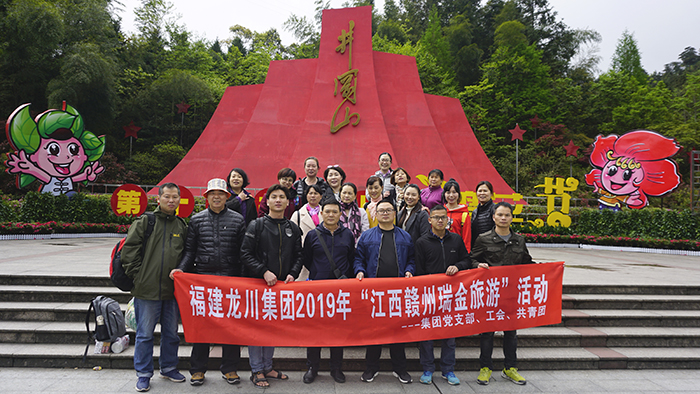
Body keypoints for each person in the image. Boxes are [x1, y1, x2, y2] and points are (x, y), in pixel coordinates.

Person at [170, 178, 246, 387]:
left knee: (231, 328)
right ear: (206, 197)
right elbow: (189, 251)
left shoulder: (238, 220)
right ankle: (197, 370)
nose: (216, 197)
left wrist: (243, 280)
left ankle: (230, 369)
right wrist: (182, 269)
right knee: (202, 327)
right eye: (212, 194)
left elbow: (242, 253)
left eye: (220, 193)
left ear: (226, 197)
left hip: (230, 282)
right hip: (203, 281)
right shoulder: (196, 220)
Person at [121, 183, 188, 392]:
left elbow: (186, 254)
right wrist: (138, 276)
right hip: (146, 290)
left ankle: (168, 367)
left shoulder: (181, 225)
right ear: (158, 199)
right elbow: (129, 250)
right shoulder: (145, 222)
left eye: (175, 197)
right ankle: (143, 373)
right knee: (144, 334)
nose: (171, 200)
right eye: (167, 196)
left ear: (179, 199)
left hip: (172, 290)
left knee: (171, 333)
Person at [240, 184, 303, 389]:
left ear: (287, 202)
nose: (278, 200)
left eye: (281, 197)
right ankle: (256, 369)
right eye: (273, 197)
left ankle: (268, 366)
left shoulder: (292, 228)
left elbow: (299, 255)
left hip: (280, 288)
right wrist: (263, 271)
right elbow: (246, 254)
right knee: (256, 329)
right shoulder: (256, 225)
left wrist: (293, 274)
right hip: (258, 285)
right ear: (266, 202)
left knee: (271, 328)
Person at [471, 202, 533, 386]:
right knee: (487, 333)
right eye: (500, 215)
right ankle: (485, 368)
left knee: (511, 333)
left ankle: (510, 368)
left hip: (512, 294)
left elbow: (527, 262)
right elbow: (472, 258)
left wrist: (550, 269)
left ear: (512, 218)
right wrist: (477, 265)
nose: (503, 218)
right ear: (494, 217)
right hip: (490, 294)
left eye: (507, 215)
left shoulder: (519, 240)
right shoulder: (483, 239)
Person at [354, 198, 415, 384]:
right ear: (375, 214)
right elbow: (358, 259)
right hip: (374, 294)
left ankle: (400, 369)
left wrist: (409, 271)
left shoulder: (405, 236)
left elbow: (412, 259)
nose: (386, 213)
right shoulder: (367, 236)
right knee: (374, 333)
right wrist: (360, 271)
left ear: (395, 213)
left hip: (398, 294)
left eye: (389, 210)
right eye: (382, 211)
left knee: (398, 333)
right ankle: (371, 368)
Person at [414, 205, 472, 386]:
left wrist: (459, 267)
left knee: (450, 335)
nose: (440, 220)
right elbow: (419, 270)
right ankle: (428, 369)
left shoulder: (455, 240)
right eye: (436, 217)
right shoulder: (421, 242)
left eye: (443, 217)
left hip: (452, 296)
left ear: (448, 220)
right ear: (429, 220)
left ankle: (448, 369)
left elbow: (467, 260)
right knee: (427, 336)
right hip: (429, 296)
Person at [301, 198, 355, 384]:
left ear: (340, 214)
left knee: (338, 332)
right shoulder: (312, 235)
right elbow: (307, 259)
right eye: (327, 211)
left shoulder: (347, 234)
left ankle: (336, 368)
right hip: (317, 291)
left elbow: (351, 259)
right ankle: (312, 367)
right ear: (321, 213)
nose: (331, 215)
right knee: (315, 332)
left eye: (335, 212)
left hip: (340, 293)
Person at [442, 178, 472, 251]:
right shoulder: (440, 211)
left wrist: (465, 255)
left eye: (454, 192)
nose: (451, 195)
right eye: (448, 192)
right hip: (441, 250)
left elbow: (466, 238)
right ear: (444, 194)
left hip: (457, 251)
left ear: (458, 194)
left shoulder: (464, 215)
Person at [471, 180, 495, 247]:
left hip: (490, 246)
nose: (482, 193)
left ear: (491, 193)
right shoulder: (475, 212)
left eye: (485, 191)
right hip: (477, 247)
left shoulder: (495, 209)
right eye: (480, 191)